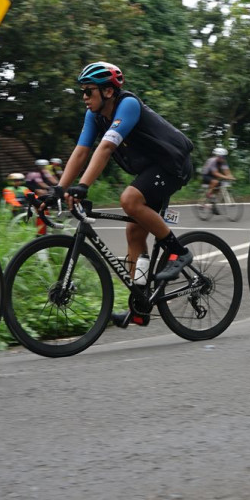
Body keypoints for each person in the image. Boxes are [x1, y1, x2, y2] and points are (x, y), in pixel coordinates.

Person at [54, 61, 195, 326]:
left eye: (88, 91)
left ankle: (179, 252)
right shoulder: (94, 115)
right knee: (134, 233)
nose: (84, 97)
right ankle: (140, 306)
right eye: (82, 91)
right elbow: (81, 151)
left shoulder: (128, 104)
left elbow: (106, 148)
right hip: (153, 169)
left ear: (108, 91)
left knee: (129, 200)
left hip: (173, 164)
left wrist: (82, 186)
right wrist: (59, 189)